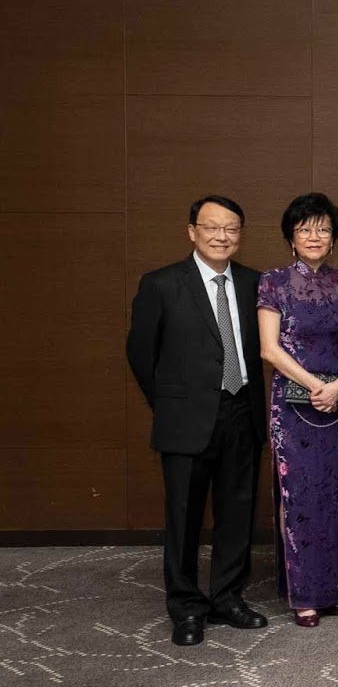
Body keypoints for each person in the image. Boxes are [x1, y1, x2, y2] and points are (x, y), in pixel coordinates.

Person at [127, 196, 269, 646]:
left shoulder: (254, 283)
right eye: (212, 227)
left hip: (242, 411)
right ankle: (186, 607)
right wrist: (170, 404)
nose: (221, 236)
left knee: (237, 513)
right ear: (192, 231)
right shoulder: (162, 284)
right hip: (185, 419)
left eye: (231, 228)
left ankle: (227, 597)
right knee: (184, 518)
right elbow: (140, 354)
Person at [257, 193, 338, 628]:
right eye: (305, 229)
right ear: (291, 237)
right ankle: (304, 594)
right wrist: (314, 385)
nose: (314, 236)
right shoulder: (273, 282)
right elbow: (270, 349)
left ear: (334, 237)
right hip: (294, 407)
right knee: (301, 497)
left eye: (323, 229)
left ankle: (336, 589)